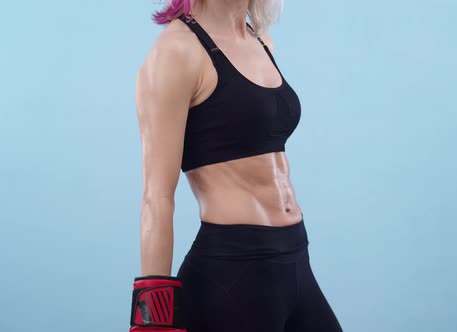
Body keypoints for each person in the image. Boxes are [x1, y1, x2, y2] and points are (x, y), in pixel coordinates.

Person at [128, 0, 343, 331]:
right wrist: (150, 324)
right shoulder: (176, 52)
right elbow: (156, 198)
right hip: (233, 274)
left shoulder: (260, 41)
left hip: (296, 259)